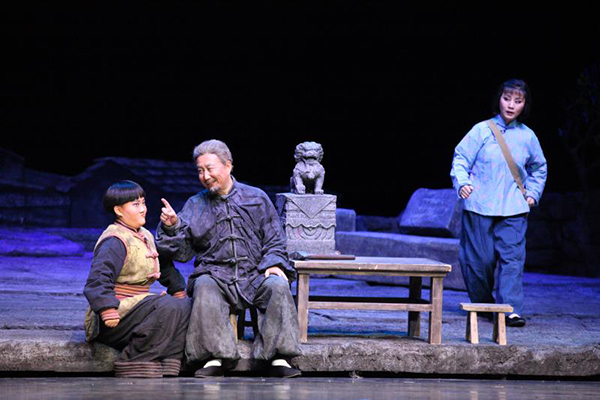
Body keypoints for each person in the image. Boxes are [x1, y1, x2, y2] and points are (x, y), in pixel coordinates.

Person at [156, 139, 302, 378]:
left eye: (210, 168)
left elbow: (275, 239)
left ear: (228, 165)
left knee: (277, 284)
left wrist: (275, 263)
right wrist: (172, 227)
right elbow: (183, 253)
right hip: (216, 275)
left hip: (255, 274)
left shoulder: (256, 198)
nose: (205, 176)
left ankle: (278, 357)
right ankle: (215, 357)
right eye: (200, 171)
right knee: (204, 285)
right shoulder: (195, 204)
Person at [450, 79, 547, 328]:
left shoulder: (527, 136)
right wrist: (462, 183)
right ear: (499, 100)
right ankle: (484, 303)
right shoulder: (481, 130)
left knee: (512, 260)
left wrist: (532, 193)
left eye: (518, 100)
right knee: (478, 261)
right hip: (479, 205)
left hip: (513, 207)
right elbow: (461, 158)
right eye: (507, 98)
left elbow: (539, 167)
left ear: (525, 105)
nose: (511, 105)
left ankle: (510, 310)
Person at [83, 180, 191, 378]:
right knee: (167, 305)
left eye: (143, 203)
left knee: (184, 306)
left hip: (136, 308)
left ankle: (170, 358)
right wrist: (107, 309)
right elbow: (98, 279)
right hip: (114, 318)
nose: (143, 209)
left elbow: (164, 265)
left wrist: (178, 290)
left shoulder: (144, 235)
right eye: (135, 204)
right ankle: (134, 358)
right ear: (118, 210)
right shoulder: (115, 240)